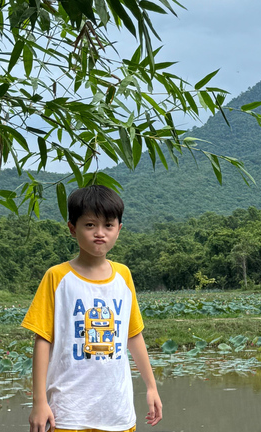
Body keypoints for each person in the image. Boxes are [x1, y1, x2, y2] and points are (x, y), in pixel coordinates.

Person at [22, 185, 162, 432]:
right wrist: (39, 402)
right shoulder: (57, 277)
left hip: (117, 412)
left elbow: (133, 334)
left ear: (119, 229)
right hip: (68, 412)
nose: (100, 233)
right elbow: (43, 339)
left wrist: (151, 386)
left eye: (108, 225)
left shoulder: (123, 276)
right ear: (72, 229)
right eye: (90, 225)